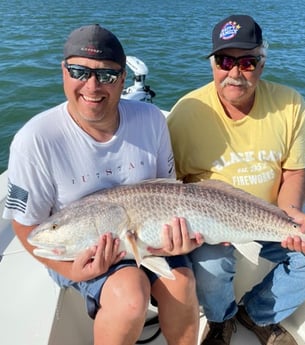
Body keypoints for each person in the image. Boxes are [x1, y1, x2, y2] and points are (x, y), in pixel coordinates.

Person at [3, 24, 202, 345]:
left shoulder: (151, 120)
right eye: (79, 71)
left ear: (124, 79)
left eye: (107, 75)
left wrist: (179, 241)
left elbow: (169, 193)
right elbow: (27, 228)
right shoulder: (35, 140)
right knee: (131, 295)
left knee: (182, 283)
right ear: (63, 72)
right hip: (77, 252)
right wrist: (72, 272)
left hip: (149, 238)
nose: (92, 86)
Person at [167, 15, 305, 345]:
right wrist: (201, 227)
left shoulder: (290, 105)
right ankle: (221, 320)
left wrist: (291, 213)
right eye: (225, 60)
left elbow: (294, 171)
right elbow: (173, 184)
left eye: (247, 62)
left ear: (263, 61)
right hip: (209, 221)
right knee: (212, 269)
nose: (234, 73)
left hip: (271, 215)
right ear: (212, 63)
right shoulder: (186, 112)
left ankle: (256, 313)